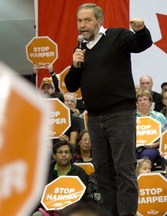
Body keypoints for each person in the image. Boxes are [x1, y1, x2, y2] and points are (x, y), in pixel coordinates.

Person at [64, 3, 153, 216]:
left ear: (99, 21)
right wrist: (75, 65)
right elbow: (71, 85)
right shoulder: (81, 50)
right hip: (94, 119)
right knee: (103, 172)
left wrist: (140, 30)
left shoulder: (116, 37)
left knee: (124, 171)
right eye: (79, 21)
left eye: (87, 20)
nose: (82, 25)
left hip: (120, 115)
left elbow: (142, 43)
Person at [32, 140, 91, 216]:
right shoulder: (45, 172)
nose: (63, 155)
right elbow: (39, 195)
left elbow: (83, 197)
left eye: (66, 152)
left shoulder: (80, 172)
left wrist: (65, 206)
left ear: (71, 156)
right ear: (54, 156)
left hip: (72, 210)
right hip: (48, 210)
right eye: (60, 152)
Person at [136, 89, 165, 167]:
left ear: (151, 102)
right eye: (140, 100)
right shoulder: (131, 118)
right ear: (137, 104)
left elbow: (166, 136)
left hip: (153, 148)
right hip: (134, 148)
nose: (142, 102)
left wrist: (156, 144)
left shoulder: (159, 117)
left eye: (145, 99)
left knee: (146, 155)